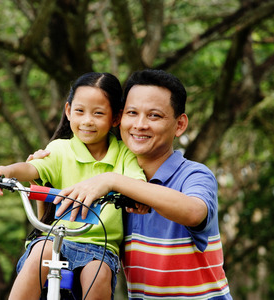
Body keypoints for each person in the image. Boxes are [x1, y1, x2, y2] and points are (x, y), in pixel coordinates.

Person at [51, 69, 232, 299]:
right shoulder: (107, 180)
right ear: (118, 118)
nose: (140, 124)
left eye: (154, 116)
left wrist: (114, 181)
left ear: (179, 125)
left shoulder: (194, 175)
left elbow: (194, 211)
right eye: (132, 113)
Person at [0, 72, 147, 300]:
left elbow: (137, 185)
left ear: (115, 118)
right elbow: (32, 168)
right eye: (80, 111)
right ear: (68, 111)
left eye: (98, 113)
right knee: (40, 252)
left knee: (98, 275)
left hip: (99, 247)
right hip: (56, 237)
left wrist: (131, 195)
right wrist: (5, 170)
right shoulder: (61, 149)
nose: (87, 120)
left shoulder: (124, 155)